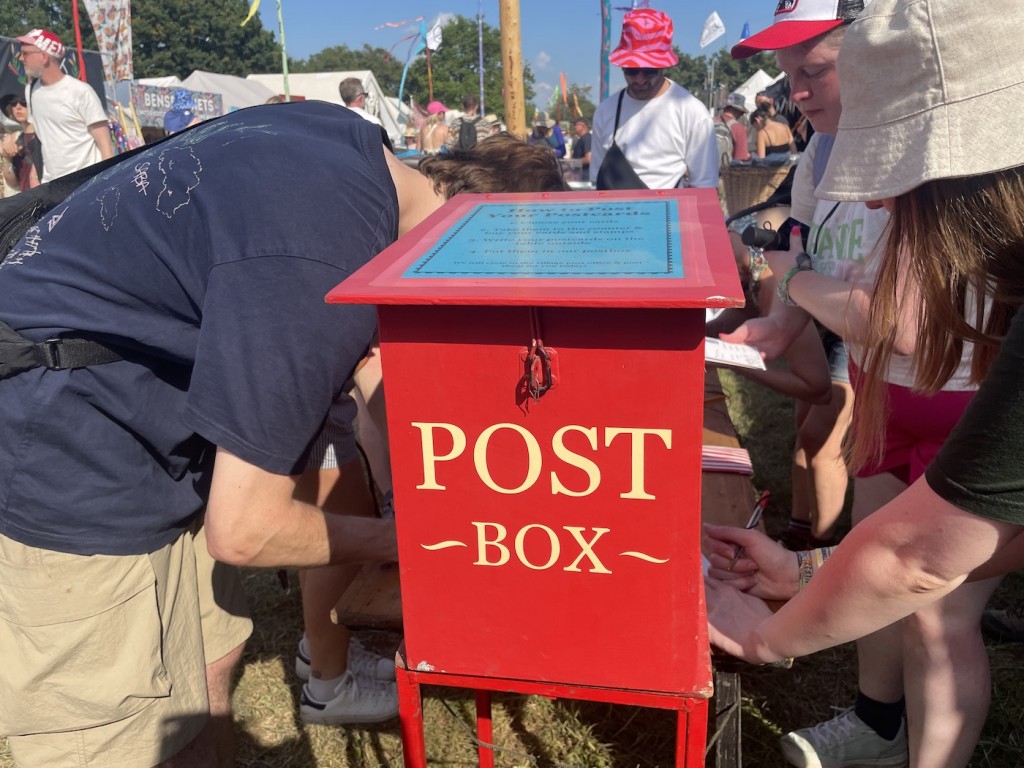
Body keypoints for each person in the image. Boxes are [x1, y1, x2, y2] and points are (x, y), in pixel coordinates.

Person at [0, 102, 567, 767]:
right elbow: (246, 529)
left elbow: (370, 370)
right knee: (108, 730)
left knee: (213, 657)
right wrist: (423, 541)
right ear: (478, 238)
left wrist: (439, 489)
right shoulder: (315, 258)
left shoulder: (347, 142)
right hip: (63, 453)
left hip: (156, 427)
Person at [705, 4, 1024, 768]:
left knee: (937, 621)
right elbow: (967, 547)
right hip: (901, 404)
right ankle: (882, 725)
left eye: (900, 173)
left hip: (950, 409)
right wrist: (821, 568)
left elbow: (922, 561)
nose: (875, 203)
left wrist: (764, 636)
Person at [590, 8, 717, 190]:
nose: (640, 79)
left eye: (649, 71)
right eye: (632, 70)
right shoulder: (605, 111)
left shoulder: (691, 112)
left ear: (663, 67)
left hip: (669, 217)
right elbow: (597, 184)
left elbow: (704, 187)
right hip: (616, 215)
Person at [16, 28, 114, 181]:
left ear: (43, 57)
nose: (21, 58)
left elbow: (105, 144)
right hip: (51, 186)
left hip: (85, 183)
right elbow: (40, 137)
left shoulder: (81, 92)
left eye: (26, 53)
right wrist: (34, 174)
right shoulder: (31, 90)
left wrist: (108, 182)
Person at [0, 94, 41, 192]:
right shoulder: (13, 140)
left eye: (24, 103)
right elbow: (13, 183)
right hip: (27, 198)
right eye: (13, 104)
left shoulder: (45, 135)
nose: (18, 107)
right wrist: (7, 158)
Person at [716, 92, 751, 164]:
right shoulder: (739, 128)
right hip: (723, 172)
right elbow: (740, 158)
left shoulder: (710, 122)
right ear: (739, 111)